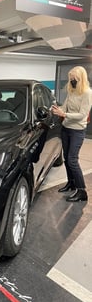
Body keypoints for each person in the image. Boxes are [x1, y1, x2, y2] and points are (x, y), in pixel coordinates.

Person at [52, 66, 92, 202]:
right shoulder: (72, 91)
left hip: (77, 131)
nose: (72, 81)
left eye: (74, 78)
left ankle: (82, 191)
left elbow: (82, 115)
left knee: (72, 160)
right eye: (70, 78)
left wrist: (64, 114)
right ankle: (71, 183)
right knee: (66, 160)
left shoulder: (87, 93)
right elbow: (65, 106)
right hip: (66, 128)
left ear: (81, 78)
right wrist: (58, 109)